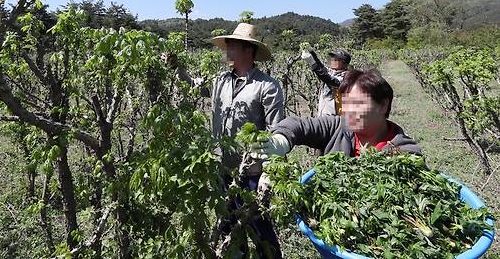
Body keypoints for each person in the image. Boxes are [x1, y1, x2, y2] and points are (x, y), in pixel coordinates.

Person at [170, 22, 285, 258]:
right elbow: (196, 87)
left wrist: (268, 173)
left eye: (231, 45)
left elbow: (277, 131)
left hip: (252, 171)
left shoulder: (267, 87)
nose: (227, 50)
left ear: (248, 50)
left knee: (259, 228)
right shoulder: (220, 80)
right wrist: (176, 68)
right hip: (222, 169)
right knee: (229, 228)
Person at [251, 69, 421, 166]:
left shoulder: (405, 152)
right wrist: (281, 139)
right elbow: (299, 125)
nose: (349, 111)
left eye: (358, 103)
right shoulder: (337, 127)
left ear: (383, 105)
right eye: (345, 104)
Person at [301, 48, 351, 116]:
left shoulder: (346, 77)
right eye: (333, 59)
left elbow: (328, 79)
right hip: (325, 113)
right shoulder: (333, 72)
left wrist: (312, 62)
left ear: (344, 63)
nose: (333, 61)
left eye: (337, 60)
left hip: (334, 116)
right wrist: (312, 53)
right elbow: (322, 68)